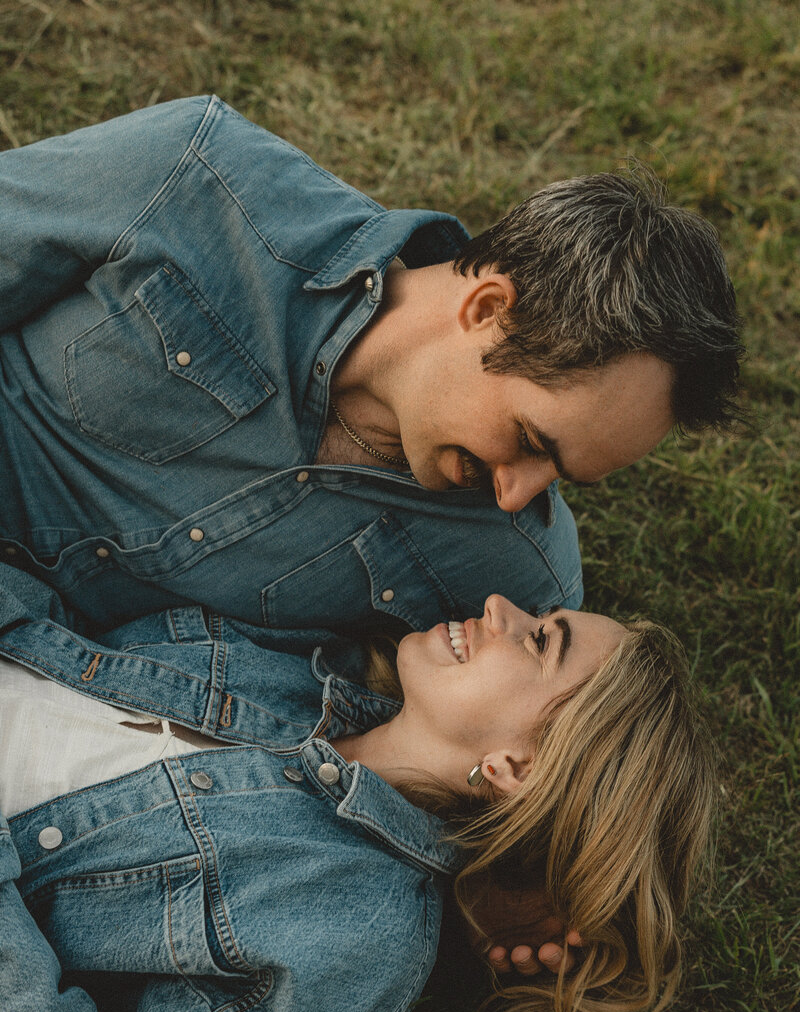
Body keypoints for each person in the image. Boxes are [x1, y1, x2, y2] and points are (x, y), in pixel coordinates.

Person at [0, 564, 716, 1012]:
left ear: (519, 769)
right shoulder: (312, 669)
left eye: (538, 641)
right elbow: (62, 636)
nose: (501, 605)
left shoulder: (363, 929)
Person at [0, 96, 742, 634]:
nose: (518, 498)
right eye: (532, 442)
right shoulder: (193, 180)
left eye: (563, 480)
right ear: (488, 308)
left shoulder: (519, 588)